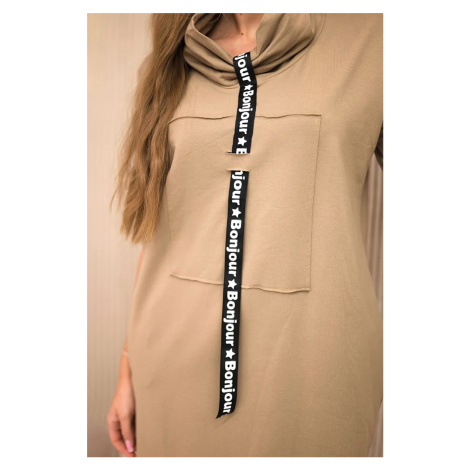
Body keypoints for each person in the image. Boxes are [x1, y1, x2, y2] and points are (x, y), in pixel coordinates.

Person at [108, 12, 383, 457]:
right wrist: (127, 368)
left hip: (311, 367)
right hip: (169, 360)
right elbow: (161, 229)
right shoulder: (167, 60)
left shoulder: (374, 39)